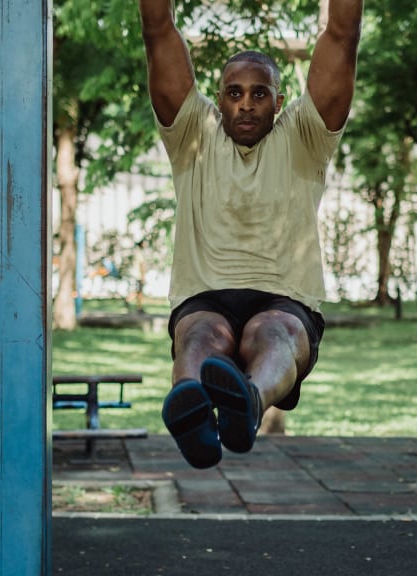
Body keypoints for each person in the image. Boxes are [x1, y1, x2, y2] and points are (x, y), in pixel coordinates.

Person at [139, 0, 363, 468]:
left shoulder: (306, 134)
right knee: (202, 336)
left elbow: (341, 36)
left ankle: (248, 405)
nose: (245, 103)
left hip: (284, 300)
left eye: (259, 94)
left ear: (279, 102)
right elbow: (157, 29)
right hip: (205, 296)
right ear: (217, 98)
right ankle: (192, 413)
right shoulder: (191, 133)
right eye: (234, 93)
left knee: (273, 334)